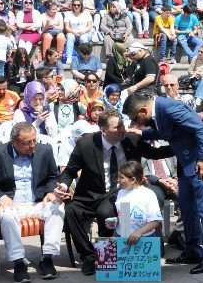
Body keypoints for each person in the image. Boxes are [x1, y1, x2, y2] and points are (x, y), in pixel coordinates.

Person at [57, 109, 173, 274]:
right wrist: (63, 185)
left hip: (119, 191)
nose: (122, 129)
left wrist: (180, 145)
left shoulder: (131, 140)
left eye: (122, 125)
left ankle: (110, 255)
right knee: (71, 211)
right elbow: (69, 171)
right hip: (90, 192)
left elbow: (155, 153)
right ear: (104, 131)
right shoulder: (86, 144)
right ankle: (88, 255)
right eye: (117, 127)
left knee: (106, 213)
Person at [124, 91, 203, 274]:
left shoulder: (171, 108)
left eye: (135, 118)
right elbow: (165, 130)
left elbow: (200, 129)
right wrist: (141, 133)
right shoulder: (158, 111)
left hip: (202, 162)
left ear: (143, 110)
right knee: (187, 207)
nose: (136, 122)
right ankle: (192, 250)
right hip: (187, 164)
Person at [0, 122, 62, 283]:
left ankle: (47, 258)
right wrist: (1, 197)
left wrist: (51, 192)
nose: (32, 145)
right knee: (7, 216)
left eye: (34, 140)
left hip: (38, 201)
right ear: (14, 142)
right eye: (27, 142)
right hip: (12, 202)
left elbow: (53, 176)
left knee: (58, 208)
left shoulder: (44, 150)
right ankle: (19, 263)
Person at [111, 160, 162, 243]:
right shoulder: (121, 193)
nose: (118, 180)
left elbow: (155, 221)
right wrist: (115, 222)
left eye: (121, 177)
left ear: (132, 179)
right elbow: (124, 217)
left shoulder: (148, 194)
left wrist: (139, 232)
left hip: (144, 239)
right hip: (123, 237)